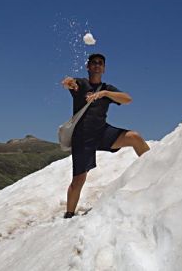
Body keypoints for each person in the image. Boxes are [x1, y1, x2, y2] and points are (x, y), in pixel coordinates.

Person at [61, 53, 150, 219]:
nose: (97, 65)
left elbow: (128, 99)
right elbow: (71, 84)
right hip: (83, 138)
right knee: (78, 180)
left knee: (135, 137)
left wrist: (104, 94)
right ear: (88, 66)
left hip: (102, 133)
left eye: (100, 63)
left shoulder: (107, 89)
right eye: (93, 63)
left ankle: (155, 171)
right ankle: (69, 214)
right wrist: (68, 83)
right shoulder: (81, 83)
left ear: (104, 68)